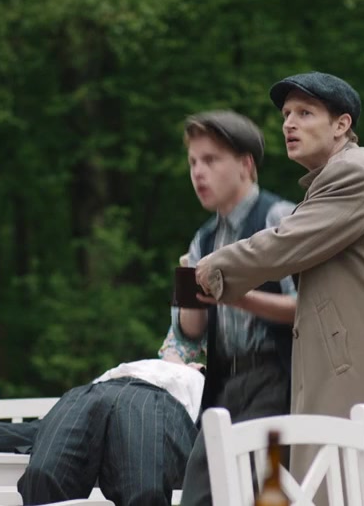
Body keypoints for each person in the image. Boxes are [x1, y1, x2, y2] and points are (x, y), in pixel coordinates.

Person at [194, 72, 364, 493]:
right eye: (286, 115)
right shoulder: (331, 182)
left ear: (342, 125)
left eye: (305, 113)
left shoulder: (355, 173)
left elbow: (286, 242)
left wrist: (214, 269)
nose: (289, 123)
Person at [156, 110, 298, 506]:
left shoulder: (279, 218)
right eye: (193, 162)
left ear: (246, 165)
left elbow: (307, 309)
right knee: (197, 497)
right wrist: (189, 289)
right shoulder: (204, 239)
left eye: (211, 160)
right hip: (224, 386)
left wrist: (237, 296)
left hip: (277, 378)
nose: (198, 173)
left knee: (258, 496)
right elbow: (190, 334)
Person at [0, 358, 204, 506]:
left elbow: (213, 436)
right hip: (93, 391)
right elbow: (42, 429)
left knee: (143, 488)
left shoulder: (204, 383)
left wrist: (201, 371)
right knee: (43, 475)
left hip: (156, 400)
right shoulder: (135, 365)